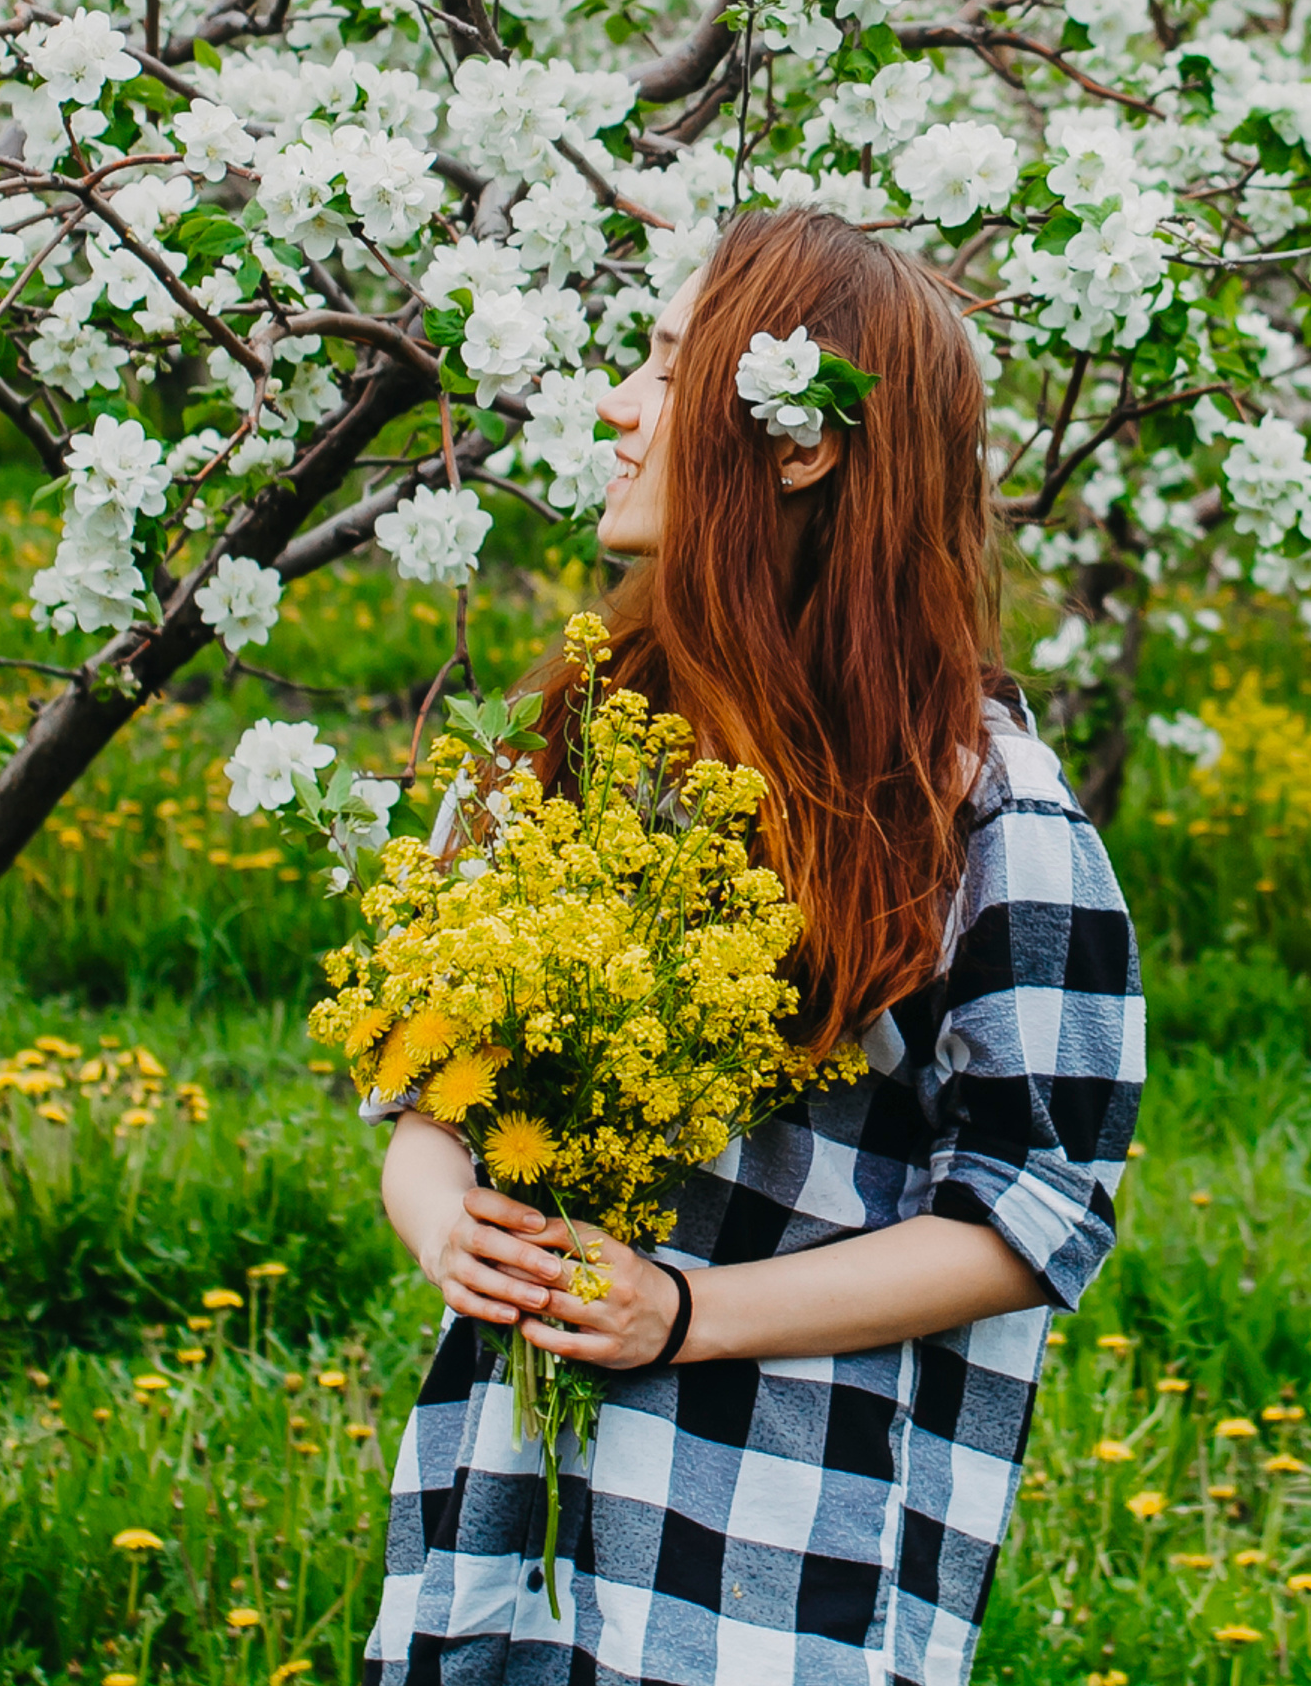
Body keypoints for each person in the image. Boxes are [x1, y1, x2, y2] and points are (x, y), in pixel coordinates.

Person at [364, 205, 1145, 1686]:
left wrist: (682, 1318)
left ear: (800, 447)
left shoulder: (983, 815)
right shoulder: (571, 738)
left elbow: (1039, 1208)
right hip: (497, 1527)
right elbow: (425, 1090)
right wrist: (441, 1213)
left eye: (666, 368)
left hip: (771, 1560)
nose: (615, 407)